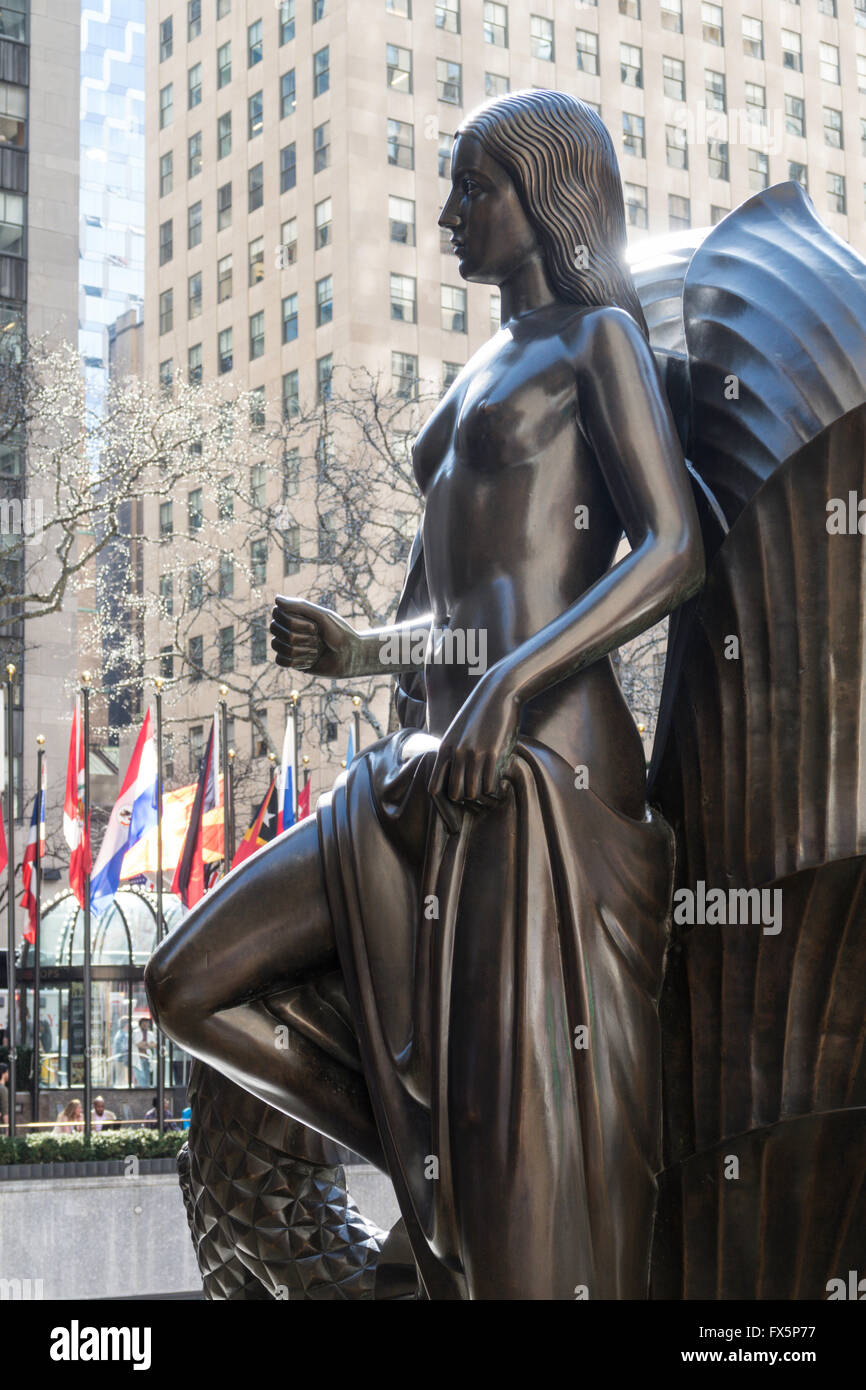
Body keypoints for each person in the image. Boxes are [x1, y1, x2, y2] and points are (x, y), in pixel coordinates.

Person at [146, 90, 703, 1300]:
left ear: (546, 198)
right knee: (189, 982)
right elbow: (446, 610)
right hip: (431, 763)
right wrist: (362, 653)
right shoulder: (483, 369)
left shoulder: (593, 343)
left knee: (524, 1123)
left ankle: (478, 1179)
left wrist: (513, 679)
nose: (449, 213)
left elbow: (674, 550)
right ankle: (442, 1156)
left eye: (474, 186)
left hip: (542, 770)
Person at [0, 1062, 9, 1134]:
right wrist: (7, 1129)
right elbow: (4, 1110)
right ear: (4, 1074)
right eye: (7, 1072)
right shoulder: (3, 1089)